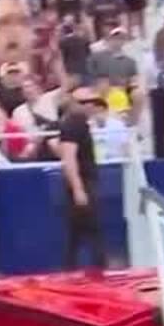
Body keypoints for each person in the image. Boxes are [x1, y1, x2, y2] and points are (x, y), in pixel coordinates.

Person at [58, 88, 105, 270]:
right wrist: (78, 189)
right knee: (92, 231)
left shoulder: (79, 123)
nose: (91, 106)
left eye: (92, 102)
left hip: (84, 182)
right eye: (86, 102)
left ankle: (70, 269)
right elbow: (68, 158)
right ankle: (99, 269)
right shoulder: (74, 123)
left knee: (76, 234)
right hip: (83, 183)